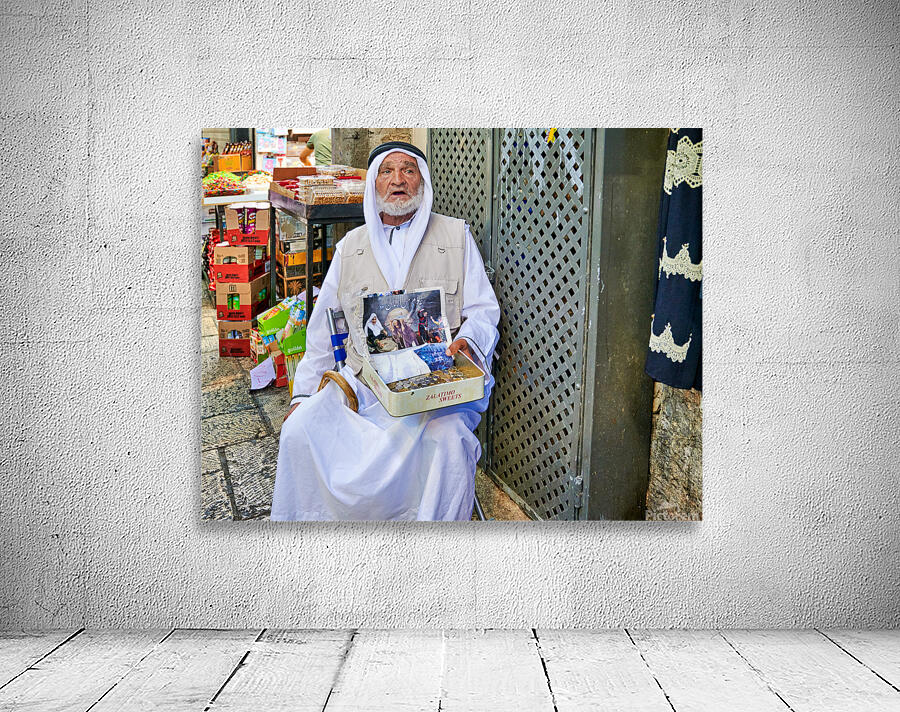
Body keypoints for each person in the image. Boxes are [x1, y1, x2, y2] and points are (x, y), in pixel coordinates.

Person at [271, 141, 500, 521]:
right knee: (300, 431)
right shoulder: (350, 248)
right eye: (387, 171)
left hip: (435, 389)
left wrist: (469, 343)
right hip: (364, 385)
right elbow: (319, 334)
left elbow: (483, 310)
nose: (398, 180)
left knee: (448, 442)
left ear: (422, 183)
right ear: (373, 184)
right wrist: (303, 394)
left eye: (408, 170)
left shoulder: (455, 235)